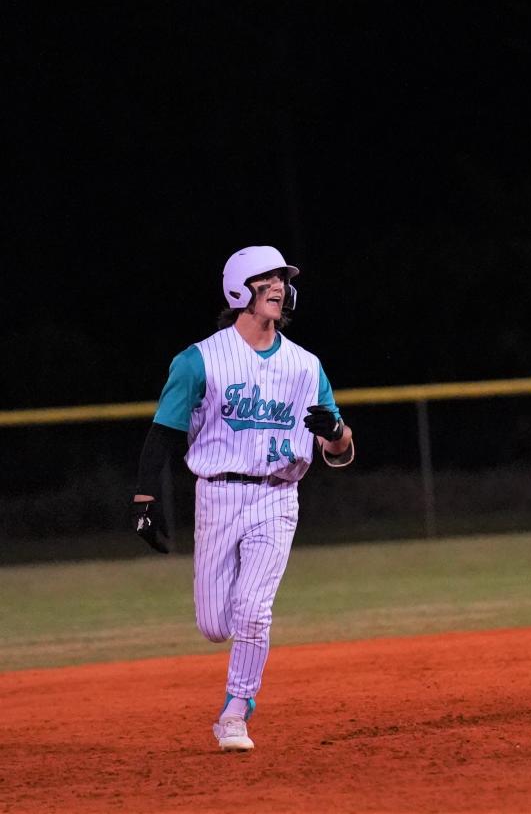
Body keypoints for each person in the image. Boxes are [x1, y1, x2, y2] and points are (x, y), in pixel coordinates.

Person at [131, 245, 355, 752]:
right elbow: (163, 434)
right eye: (267, 278)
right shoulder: (199, 361)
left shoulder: (305, 366)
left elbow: (341, 452)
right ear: (239, 289)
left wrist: (336, 432)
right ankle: (237, 673)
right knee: (215, 624)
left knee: (253, 611)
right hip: (217, 496)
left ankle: (236, 710)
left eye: (282, 278)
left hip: (278, 498)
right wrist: (145, 500)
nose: (278, 286)